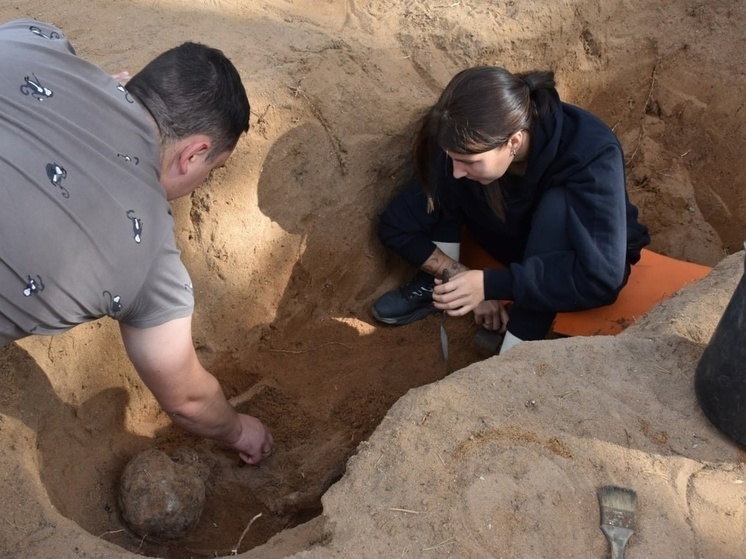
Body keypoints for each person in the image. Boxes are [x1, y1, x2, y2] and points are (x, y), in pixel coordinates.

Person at [0, 19, 273, 464]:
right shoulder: (150, 262)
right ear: (194, 153)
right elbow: (187, 399)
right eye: (213, 170)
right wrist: (240, 430)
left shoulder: (32, 39)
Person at [372, 66, 651, 354]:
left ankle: (517, 346)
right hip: (509, 242)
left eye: (469, 160)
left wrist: (491, 284)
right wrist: (460, 278)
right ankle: (437, 285)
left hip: (567, 258)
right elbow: (396, 224)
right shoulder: (464, 139)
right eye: (454, 158)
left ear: (513, 142)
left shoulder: (591, 151)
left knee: (556, 208)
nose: (457, 170)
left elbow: (601, 279)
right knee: (450, 181)